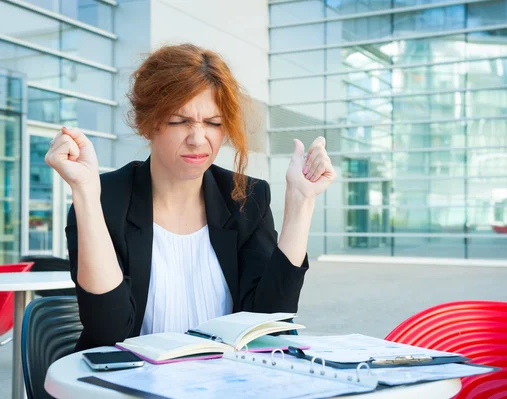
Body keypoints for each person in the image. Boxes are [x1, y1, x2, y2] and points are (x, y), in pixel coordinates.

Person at [45, 44, 336, 351]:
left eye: (213, 123)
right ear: (148, 124)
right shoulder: (104, 198)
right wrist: (85, 195)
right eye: (179, 121)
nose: (198, 139)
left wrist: (301, 204)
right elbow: (109, 332)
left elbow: (267, 323)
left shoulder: (245, 198)